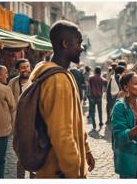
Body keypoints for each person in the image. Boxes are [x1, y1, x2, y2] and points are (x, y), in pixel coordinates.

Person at [29, 20, 95, 178]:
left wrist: (85, 148)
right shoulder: (58, 80)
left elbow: (76, 121)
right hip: (58, 171)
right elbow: (62, 134)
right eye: (78, 43)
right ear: (65, 43)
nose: (82, 48)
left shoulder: (62, 74)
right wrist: (74, 173)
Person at [8, 58, 34, 179]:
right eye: (23, 67)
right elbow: (7, 102)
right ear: (18, 69)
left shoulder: (35, 81)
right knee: (21, 153)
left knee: (35, 152)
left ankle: (34, 177)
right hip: (18, 124)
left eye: (28, 67)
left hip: (34, 124)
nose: (26, 70)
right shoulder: (13, 83)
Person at [88, 66, 108, 130]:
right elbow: (105, 87)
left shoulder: (91, 78)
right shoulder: (102, 79)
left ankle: (94, 126)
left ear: (95, 71)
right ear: (100, 72)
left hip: (92, 97)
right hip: (99, 97)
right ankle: (101, 123)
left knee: (93, 112)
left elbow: (89, 87)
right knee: (100, 111)